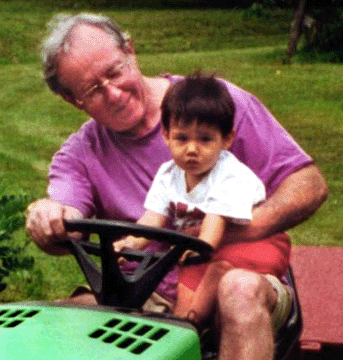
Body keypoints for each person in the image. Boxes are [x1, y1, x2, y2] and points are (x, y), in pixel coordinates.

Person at [25, 13, 328, 360]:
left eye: (114, 72)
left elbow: (310, 185)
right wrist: (47, 215)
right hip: (143, 292)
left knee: (238, 290)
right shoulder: (80, 154)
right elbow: (66, 211)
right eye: (93, 90)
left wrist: (233, 232)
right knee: (63, 321)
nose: (113, 93)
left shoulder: (212, 105)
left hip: (242, 274)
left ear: (131, 51)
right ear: (73, 100)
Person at [114, 73, 292, 329]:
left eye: (205, 139)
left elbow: (214, 222)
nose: (192, 149)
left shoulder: (229, 174)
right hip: (210, 246)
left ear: (226, 140)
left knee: (193, 267)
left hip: (256, 244)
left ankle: (187, 326)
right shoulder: (168, 175)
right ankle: (188, 321)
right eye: (182, 138)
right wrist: (130, 242)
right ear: (166, 136)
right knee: (189, 267)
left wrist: (201, 249)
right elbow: (153, 218)